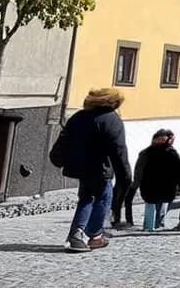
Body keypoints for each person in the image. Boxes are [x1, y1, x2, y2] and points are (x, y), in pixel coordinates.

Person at [52, 87, 130, 252]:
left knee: (87, 198)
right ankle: (91, 235)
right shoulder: (111, 120)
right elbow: (118, 150)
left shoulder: (78, 117)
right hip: (100, 168)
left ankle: (80, 235)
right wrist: (125, 176)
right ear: (113, 102)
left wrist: (58, 158)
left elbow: (64, 139)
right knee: (103, 198)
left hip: (80, 167)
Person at [134, 128, 180, 230]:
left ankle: (156, 224)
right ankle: (152, 225)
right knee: (153, 205)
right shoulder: (147, 153)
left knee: (162, 205)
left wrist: (178, 183)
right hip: (151, 185)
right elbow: (139, 169)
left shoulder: (172, 153)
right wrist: (137, 182)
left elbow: (177, 169)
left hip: (165, 186)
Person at [110, 152, 135, 230]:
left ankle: (117, 221)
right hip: (125, 179)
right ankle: (126, 221)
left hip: (124, 179)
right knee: (123, 201)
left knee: (118, 201)